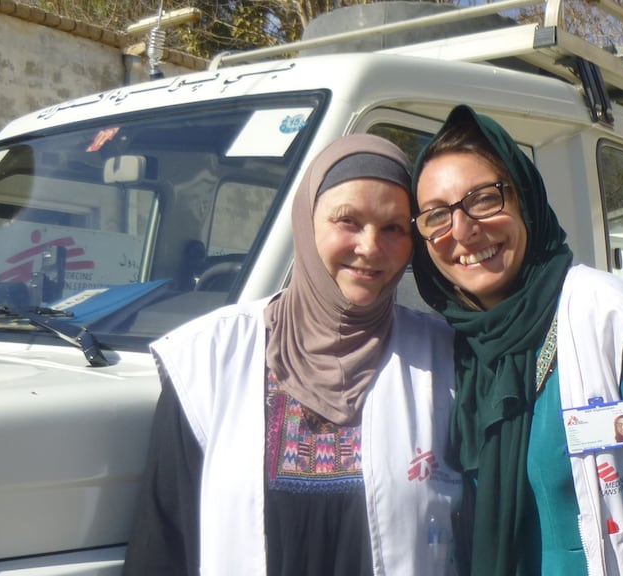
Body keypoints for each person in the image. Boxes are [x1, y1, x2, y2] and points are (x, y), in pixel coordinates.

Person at [409, 105, 623, 576]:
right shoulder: (455, 351)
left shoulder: (608, 318)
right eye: (436, 215)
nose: (461, 231)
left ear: (524, 198)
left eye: (483, 199)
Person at [123, 134, 461, 576]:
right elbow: (163, 545)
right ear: (306, 221)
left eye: (394, 227)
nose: (370, 247)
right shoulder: (209, 360)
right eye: (348, 220)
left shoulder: (443, 358)